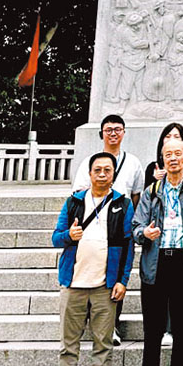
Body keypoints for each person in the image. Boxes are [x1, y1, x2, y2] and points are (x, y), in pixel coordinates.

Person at [47, 152, 133, 366]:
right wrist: (69, 235)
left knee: (103, 340)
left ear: (113, 174)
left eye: (108, 170)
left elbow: (127, 243)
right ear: (90, 173)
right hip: (73, 282)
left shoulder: (122, 203)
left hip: (105, 284)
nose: (102, 174)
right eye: (98, 170)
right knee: (68, 341)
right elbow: (55, 238)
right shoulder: (74, 202)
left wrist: (122, 280)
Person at [132, 135, 183, 366]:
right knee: (153, 332)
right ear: (162, 159)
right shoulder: (151, 191)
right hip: (156, 263)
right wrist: (145, 233)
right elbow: (136, 228)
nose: (173, 158)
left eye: (178, 153)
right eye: (168, 154)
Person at [72, 113, 143, 347]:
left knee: (116, 273)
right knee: (91, 273)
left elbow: (136, 195)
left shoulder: (132, 162)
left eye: (117, 129)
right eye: (108, 129)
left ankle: (111, 325)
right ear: (101, 133)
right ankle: (87, 321)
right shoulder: (88, 162)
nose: (113, 133)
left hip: (118, 222)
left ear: (124, 132)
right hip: (93, 225)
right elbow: (78, 194)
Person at [143, 121, 183, 188]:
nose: (172, 139)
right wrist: (155, 179)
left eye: (176, 136)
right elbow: (146, 195)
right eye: (168, 136)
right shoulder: (152, 167)